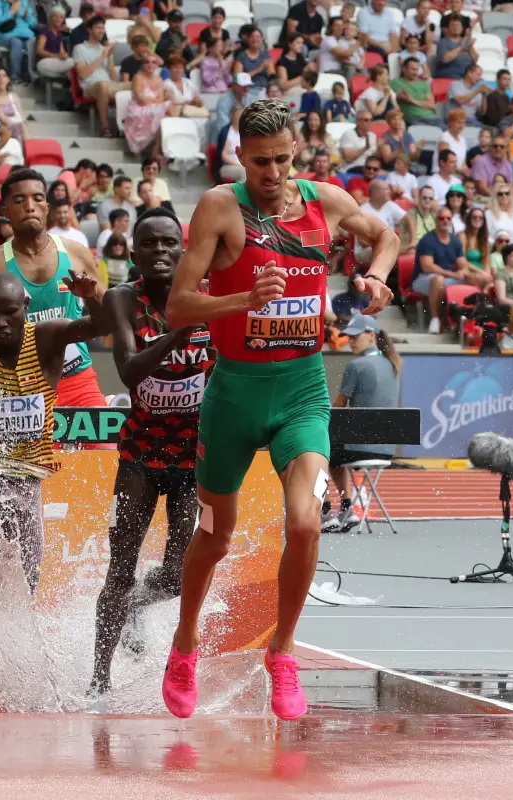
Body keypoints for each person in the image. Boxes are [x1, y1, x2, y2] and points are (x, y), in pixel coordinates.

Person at [161, 99, 396, 721]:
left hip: (302, 392)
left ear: (297, 152)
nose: (273, 173)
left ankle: (282, 653)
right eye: (261, 162)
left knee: (305, 523)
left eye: (284, 160)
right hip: (233, 396)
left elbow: (387, 235)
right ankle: (184, 647)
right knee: (213, 536)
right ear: (240, 156)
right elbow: (178, 309)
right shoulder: (219, 207)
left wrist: (376, 277)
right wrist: (241, 298)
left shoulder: (324, 200)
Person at [0, 268, 105, 629]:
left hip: (27, 473)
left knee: (23, 583)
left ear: (25, 305)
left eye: (9, 312)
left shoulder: (48, 336)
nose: (1, 323)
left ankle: (16, 629)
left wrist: (90, 295)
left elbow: (103, 324)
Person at [89, 207, 215, 696]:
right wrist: (178, 334)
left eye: (168, 243)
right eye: (149, 245)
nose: (159, 252)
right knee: (119, 565)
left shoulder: (207, 299)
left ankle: (141, 605)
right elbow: (128, 371)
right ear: (134, 253)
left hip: (192, 458)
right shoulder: (123, 298)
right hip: (140, 455)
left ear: (182, 251)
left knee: (182, 574)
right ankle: (98, 680)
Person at [0, 168, 109, 410]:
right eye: (19, 200)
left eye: (37, 199)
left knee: (105, 448)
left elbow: (109, 314)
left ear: (46, 207)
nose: (29, 206)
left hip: (77, 381)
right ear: (5, 212)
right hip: (20, 385)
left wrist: (93, 298)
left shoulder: (75, 252)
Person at [321, 314, 401, 533]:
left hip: (359, 447)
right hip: (385, 448)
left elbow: (337, 406)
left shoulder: (357, 365)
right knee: (337, 450)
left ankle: (325, 510)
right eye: (350, 337)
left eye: (356, 337)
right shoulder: (393, 364)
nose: (352, 341)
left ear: (372, 335)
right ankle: (347, 508)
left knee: (319, 451)